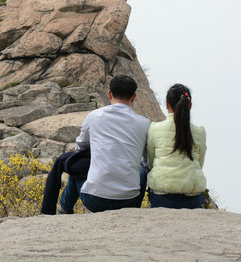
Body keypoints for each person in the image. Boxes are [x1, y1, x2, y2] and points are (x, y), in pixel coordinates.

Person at [57, 75, 150, 213]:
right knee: (141, 171)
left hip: (95, 201)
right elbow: (147, 161)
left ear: (109, 93)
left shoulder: (94, 117)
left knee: (78, 162)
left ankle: (65, 208)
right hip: (130, 201)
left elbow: (80, 147)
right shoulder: (144, 123)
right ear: (134, 97)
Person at [146, 83, 207, 209]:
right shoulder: (199, 132)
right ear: (189, 105)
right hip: (192, 197)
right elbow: (199, 164)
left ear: (167, 104)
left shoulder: (154, 128)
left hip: (162, 196)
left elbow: (151, 163)